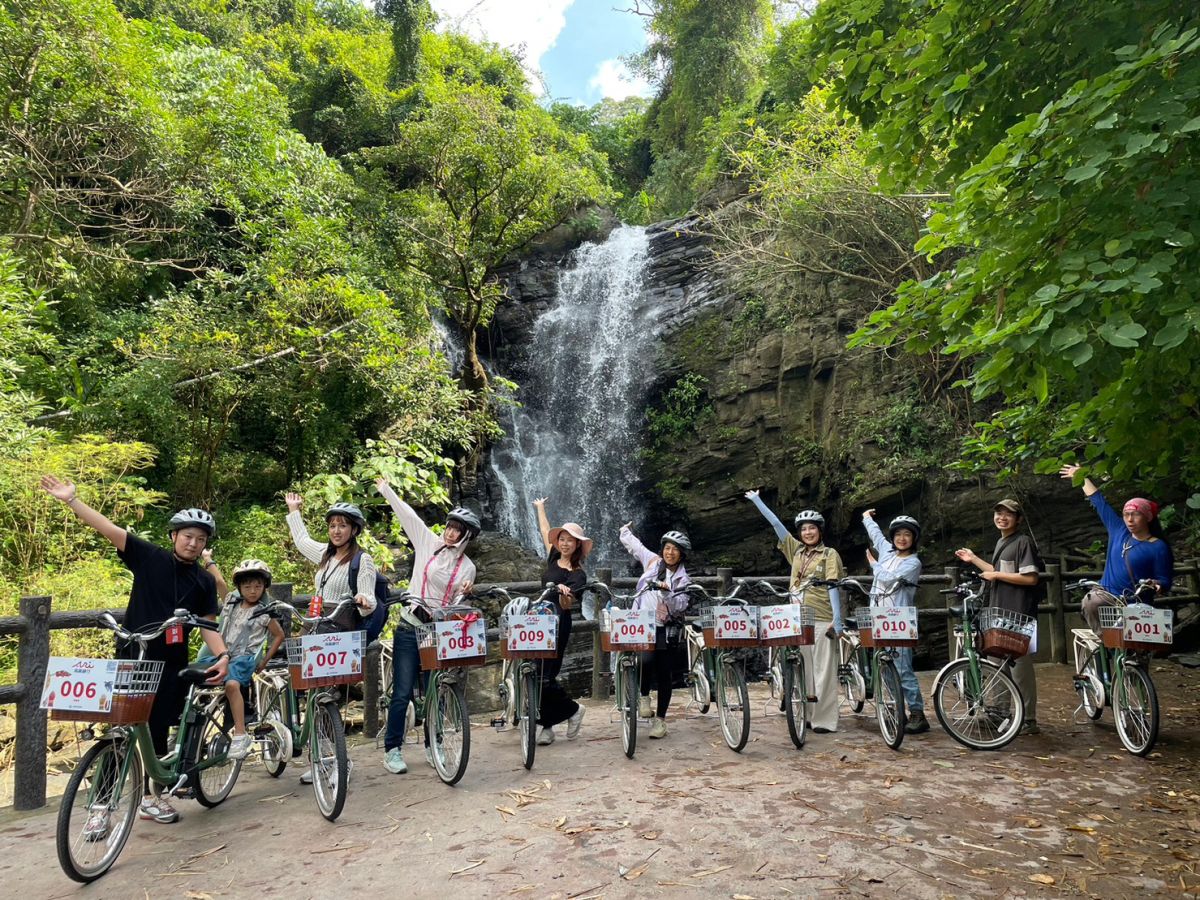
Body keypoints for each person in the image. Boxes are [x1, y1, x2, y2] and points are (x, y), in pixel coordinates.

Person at [39, 475, 230, 825]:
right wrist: (71, 500)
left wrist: (222, 655)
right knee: (120, 730)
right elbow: (108, 529)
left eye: (200, 539)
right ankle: (100, 808)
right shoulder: (149, 558)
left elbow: (207, 625)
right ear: (174, 536)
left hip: (172, 661)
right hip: (134, 656)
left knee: (157, 729)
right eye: (187, 536)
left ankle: (152, 797)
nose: (193, 543)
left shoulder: (203, 581)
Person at [374, 476, 479, 775]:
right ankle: (392, 748)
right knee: (403, 690)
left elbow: (460, 606)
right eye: (449, 526)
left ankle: (434, 745)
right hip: (411, 624)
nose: (450, 532)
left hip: (439, 631)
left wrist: (467, 592)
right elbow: (408, 514)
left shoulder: (468, 566)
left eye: (458, 530)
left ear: (466, 535)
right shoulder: (427, 542)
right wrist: (387, 489)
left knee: (438, 690)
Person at [285, 492, 380, 782]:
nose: (336, 530)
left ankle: (339, 761)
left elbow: (369, 594)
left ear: (354, 530)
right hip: (315, 628)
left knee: (330, 695)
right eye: (332, 526)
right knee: (310, 692)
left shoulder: (362, 561)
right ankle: (321, 757)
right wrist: (294, 511)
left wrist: (364, 599)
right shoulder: (326, 555)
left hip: (339, 633)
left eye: (343, 525)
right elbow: (302, 543)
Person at [746, 490, 844, 733]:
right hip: (797, 618)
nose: (807, 532)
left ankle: (824, 720)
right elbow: (777, 525)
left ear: (820, 531)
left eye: (812, 528)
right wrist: (757, 500)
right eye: (803, 529)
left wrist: (837, 619)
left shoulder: (829, 554)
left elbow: (833, 585)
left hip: (821, 616)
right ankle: (809, 716)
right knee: (805, 668)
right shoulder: (796, 551)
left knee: (824, 670)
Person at [954, 499, 1042, 735]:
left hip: (1020, 612)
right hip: (1001, 611)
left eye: (1008, 514)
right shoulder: (1002, 541)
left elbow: (1030, 578)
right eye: (999, 513)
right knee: (996, 663)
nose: (1002, 517)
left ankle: (1028, 719)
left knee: (1020, 667)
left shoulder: (1023, 542)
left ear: (1018, 519)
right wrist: (973, 558)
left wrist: (998, 576)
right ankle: (1000, 713)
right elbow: (995, 570)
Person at [1059, 464, 1174, 628]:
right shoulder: (1118, 530)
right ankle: (1104, 646)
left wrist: (1157, 584)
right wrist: (1081, 477)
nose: (1130, 519)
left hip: (1137, 603)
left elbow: (1165, 580)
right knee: (1092, 602)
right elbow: (1099, 502)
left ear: (1148, 517)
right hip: (1107, 596)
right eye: (1126, 515)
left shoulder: (1158, 547)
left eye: (1136, 515)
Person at [198, 559, 286, 759]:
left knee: (232, 685)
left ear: (264, 587)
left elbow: (279, 635)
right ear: (239, 588)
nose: (253, 591)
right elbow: (219, 581)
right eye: (247, 587)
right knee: (193, 680)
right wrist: (209, 560)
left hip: (244, 658)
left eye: (257, 586)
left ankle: (240, 733)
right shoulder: (230, 602)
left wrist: (263, 661)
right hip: (221, 655)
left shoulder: (264, 613)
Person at [619, 524, 692, 739]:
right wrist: (625, 531)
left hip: (665, 628)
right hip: (642, 623)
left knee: (664, 675)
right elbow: (636, 547)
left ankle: (660, 721)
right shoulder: (652, 561)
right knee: (644, 660)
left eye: (675, 549)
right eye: (668, 548)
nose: (670, 552)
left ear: (682, 554)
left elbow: (680, 605)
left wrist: (667, 593)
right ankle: (643, 697)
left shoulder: (683, 579)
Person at [861, 510, 929, 734]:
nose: (902, 538)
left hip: (899, 619)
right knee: (884, 666)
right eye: (898, 534)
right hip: (878, 617)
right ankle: (896, 707)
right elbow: (876, 536)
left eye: (907, 534)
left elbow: (889, 579)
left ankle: (917, 713)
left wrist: (873, 564)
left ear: (914, 538)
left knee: (902, 667)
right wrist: (867, 517)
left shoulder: (913, 563)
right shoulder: (888, 552)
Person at [532, 497, 589, 745]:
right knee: (535, 671)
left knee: (546, 674)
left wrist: (565, 596)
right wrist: (540, 508)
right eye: (562, 539)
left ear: (577, 545)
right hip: (538, 622)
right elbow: (545, 531)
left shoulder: (578, 575)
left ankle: (572, 711)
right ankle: (548, 724)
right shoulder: (553, 556)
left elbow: (568, 606)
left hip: (558, 624)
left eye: (570, 540)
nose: (565, 543)